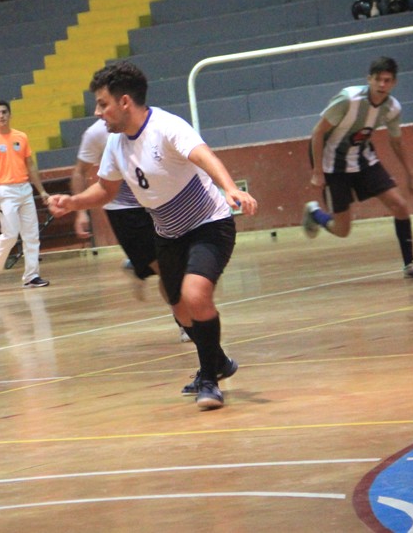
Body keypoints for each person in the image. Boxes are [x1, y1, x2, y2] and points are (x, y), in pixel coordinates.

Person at [49, 62, 257, 410]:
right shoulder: (116, 145)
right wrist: (74, 203)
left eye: (103, 104)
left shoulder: (166, 127)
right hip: (168, 232)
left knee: (195, 294)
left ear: (125, 102)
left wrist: (231, 188)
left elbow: (204, 155)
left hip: (208, 223)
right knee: (178, 306)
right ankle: (218, 361)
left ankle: (209, 378)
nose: (98, 113)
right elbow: (105, 190)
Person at [302, 56, 413, 278]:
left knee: (400, 205)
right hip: (333, 164)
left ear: (394, 83)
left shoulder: (392, 108)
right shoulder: (348, 99)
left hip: (364, 160)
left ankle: (410, 265)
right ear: (369, 79)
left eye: (387, 80)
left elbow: (396, 141)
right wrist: (317, 172)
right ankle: (315, 213)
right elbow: (318, 132)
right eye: (378, 79)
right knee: (343, 230)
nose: (382, 85)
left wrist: (411, 174)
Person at [72, 119, 190, 342]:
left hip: (153, 202)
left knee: (177, 264)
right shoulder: (96, 134)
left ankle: (139, 268)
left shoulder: (148, 124)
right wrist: (79, 212)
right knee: (168, 269)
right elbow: (79, 172)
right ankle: (185, 324)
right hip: (124, 211)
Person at [0, 99, 50, 290]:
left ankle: (31, 276)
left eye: (4, 112)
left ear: (10, 114)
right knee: (10, 234)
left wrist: (41, 190)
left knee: (32, 234)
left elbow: (30, 165)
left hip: (24, 189)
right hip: (4, 191)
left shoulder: (21, 137)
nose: (1, 116)